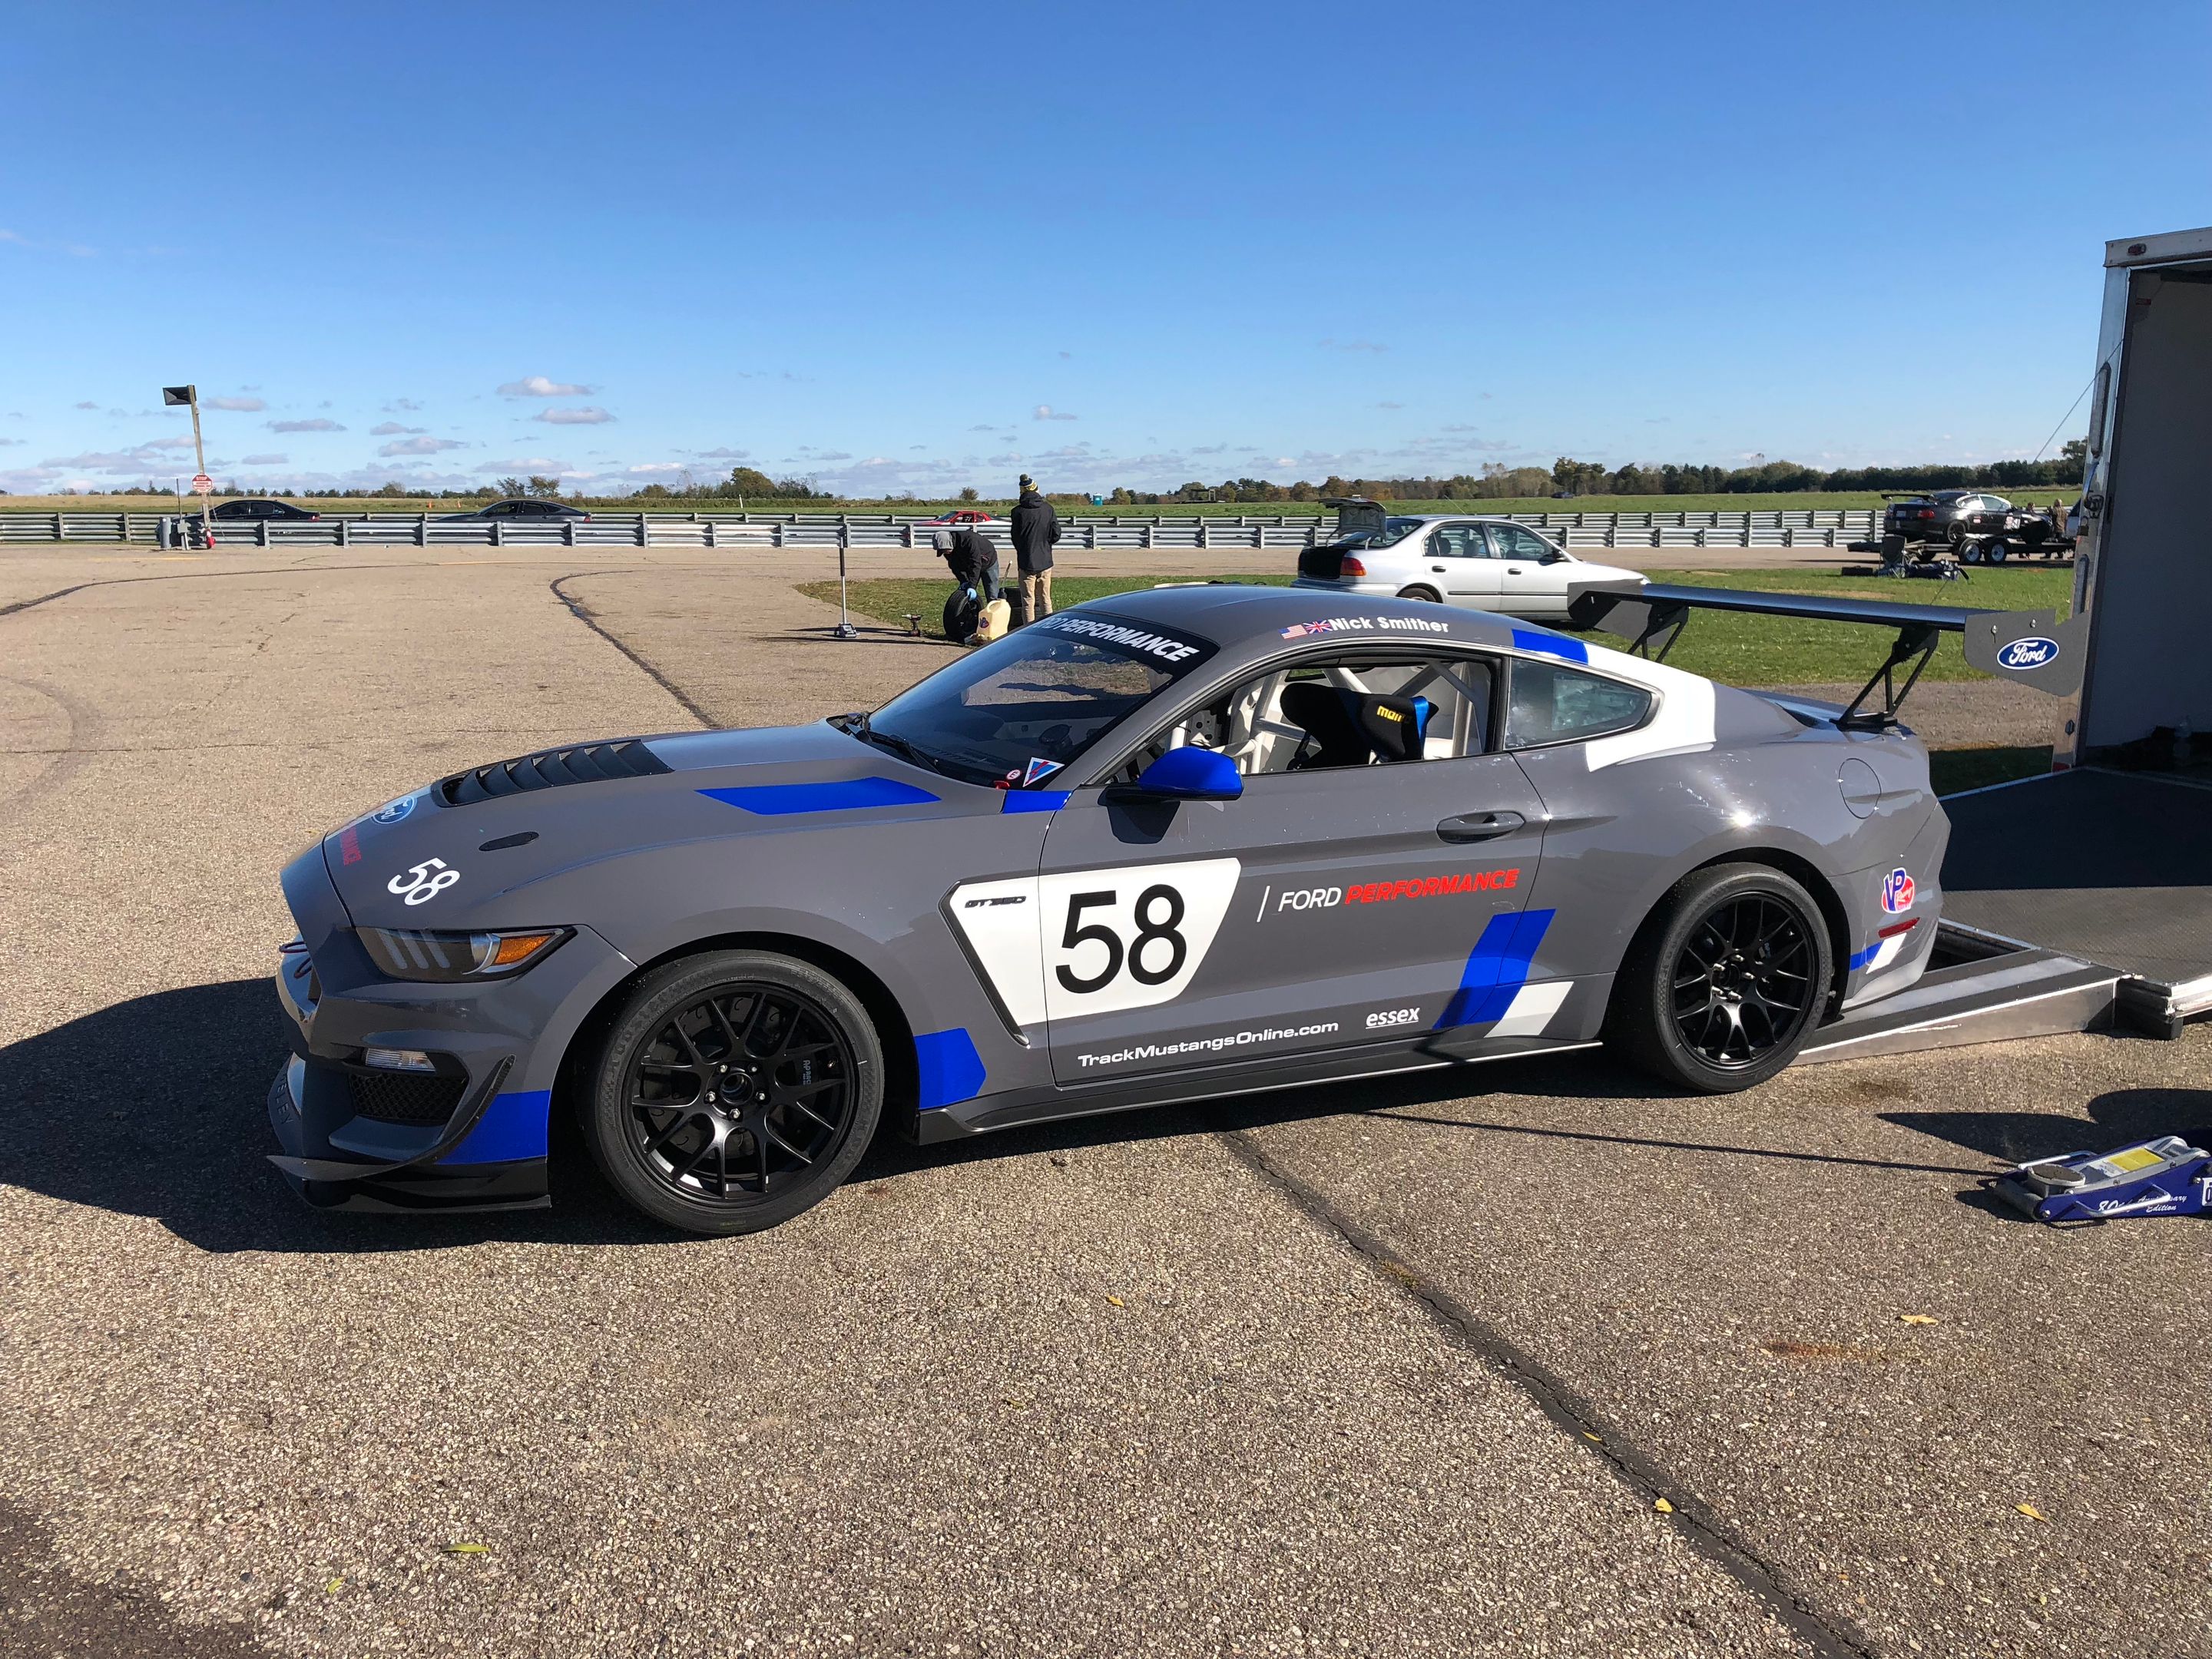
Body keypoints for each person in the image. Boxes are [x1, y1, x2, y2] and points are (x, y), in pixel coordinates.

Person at [1008, 473, 1060, 625]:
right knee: (1045, 598)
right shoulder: (1048, 509)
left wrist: (1023, 549)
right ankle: (1049, 627)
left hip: (1026, 561)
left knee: (1027, 601)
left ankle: (1028, 630)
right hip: (1045, 560)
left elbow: (1015, 537)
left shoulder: (1017, 512)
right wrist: (1046, 544)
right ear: (1037, 489)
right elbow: (1056, 533)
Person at [932, 526, 1000, 602]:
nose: (945, 553)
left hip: (988, 561)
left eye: (946, 550)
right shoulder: (948, 552)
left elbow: (976, 564)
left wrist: (972, 586)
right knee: (966, 592)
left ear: (950, 542)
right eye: (943, 551)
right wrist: (964, 581)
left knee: (992, 592)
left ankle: (995, 609)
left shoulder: (969, 541)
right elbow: (955, 567)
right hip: (968, 563)